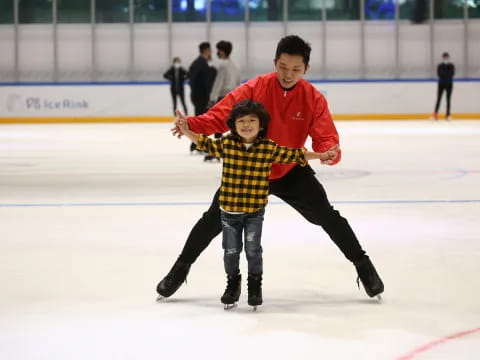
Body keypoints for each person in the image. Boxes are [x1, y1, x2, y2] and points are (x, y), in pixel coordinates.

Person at [157, 35, 384, 302]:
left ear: (306, 69)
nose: (288, 74)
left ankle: (363, 266)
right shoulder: (255, 88)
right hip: (248, 169)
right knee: (212, 220)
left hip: (289, 170)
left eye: (296, 69)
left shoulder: (313, 98)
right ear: (275, 62)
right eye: (283, 67)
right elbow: (220, 116)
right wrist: (191, 125)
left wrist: (330, 151)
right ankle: (180, 269)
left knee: (327, 216)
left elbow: (325, 137)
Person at [176, 100, 336, 309]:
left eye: (252, 120)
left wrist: (321, 154)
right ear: (234, 125)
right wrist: (186, 129)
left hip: (254, 213)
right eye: (241, 121)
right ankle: (233, 283)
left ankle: (254, 285)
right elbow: (204, 143)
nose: (246, 125)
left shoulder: (268, 148)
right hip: (228, 213)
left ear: (261, 125)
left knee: (253, 250)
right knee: (230, 251)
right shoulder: (227, 144)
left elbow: (295, 155)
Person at [204, 40, 241, 162]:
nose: (217, 53)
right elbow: (238, 82)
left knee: (218, 123)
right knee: (233, 125)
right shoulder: (235, 65)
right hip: (234, 97)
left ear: (223, 51)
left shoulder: (223, 65)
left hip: (223, 97)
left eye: (218, 50)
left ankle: (216, 151)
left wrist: (211, 98)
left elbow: (218, 83)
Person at [188, 42, 217, 153]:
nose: (211, 52)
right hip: (200, 97)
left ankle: (197, 144)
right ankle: (195, 144)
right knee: (200, 120)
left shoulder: (205, 63)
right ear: (206, 50)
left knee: (202, 120)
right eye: (210, 50)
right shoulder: (199, 63)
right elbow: (193, 81)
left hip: (203, 97)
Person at [432, 52, 455, 121]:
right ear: (442, 58)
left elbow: (452, 74)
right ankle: (435, 114)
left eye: (447, 57)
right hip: (441, 84)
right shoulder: (440, 66)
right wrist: (446, 73)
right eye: (444, 57)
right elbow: (439, 74)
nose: (446, 59)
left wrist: (445, 73)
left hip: (449, 84)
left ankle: (448, 115)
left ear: (448, 58)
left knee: (448, 100)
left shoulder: (451, 65)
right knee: (438, 99)